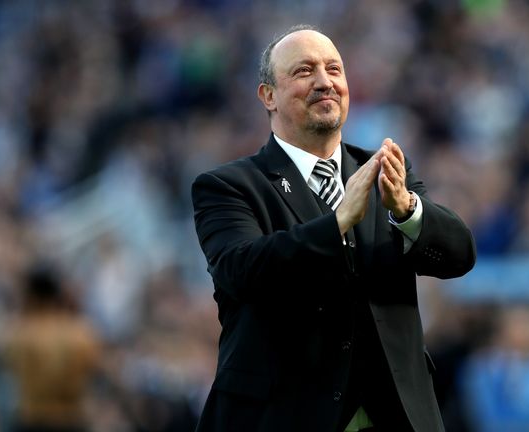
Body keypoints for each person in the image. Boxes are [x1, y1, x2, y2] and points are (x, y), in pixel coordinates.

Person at [191, 24, 475, 432]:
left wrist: (408, 210)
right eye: (304, 71)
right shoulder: (227, 186)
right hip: (284, 416)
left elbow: (459, 255)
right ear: (268, 96)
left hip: (395, 414)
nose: (324, 82)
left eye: (334, 69)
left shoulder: (385, 172)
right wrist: (338, 220)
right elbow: (242, 271)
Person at [3, 264, 101, 432]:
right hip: (72, 420)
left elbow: (9, 365)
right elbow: (93, 371)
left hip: (32, 421)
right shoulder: (81, 334)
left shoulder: (20, 334)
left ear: (30, 294)